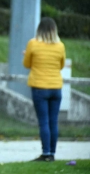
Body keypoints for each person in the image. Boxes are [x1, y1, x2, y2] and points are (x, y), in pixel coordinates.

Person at [23, 17, 66, 162]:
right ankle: (52, 153)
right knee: (53, 121)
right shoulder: (60, 46)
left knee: (44, 122)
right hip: (56, 88)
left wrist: (28, 55)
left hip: (39, 87)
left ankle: (45, 153)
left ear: (39, 29)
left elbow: (27, 64)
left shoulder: (33, 44)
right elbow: (60, 66)